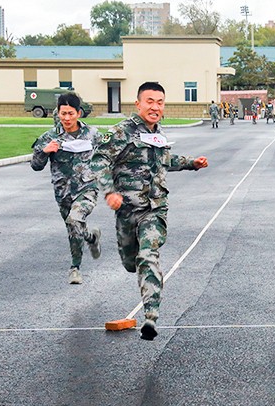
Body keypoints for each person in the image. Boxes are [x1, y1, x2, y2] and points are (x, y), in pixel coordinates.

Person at [92, 82, 209, 341]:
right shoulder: (122, 132)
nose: (155, 107)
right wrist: (110, 191)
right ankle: (131, 265)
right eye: (150, 101)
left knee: (149, 255)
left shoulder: (158, 134)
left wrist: (192, 163)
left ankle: (150, 318)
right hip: (126, 211)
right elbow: (99, 159)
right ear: (138, 103)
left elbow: (164, 161)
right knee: (130, 262)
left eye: (160, 102)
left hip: (154, 210)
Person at [31, 93, 102, 284]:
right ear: (58, 113)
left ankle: (74, 268)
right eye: (63, 114)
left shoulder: (93, 135)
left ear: (79, 113)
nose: (67, 118)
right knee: (73, 228)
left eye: (71, 113)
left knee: (74, 219)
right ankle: (91, 237)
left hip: (87, 188)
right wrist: (44, 152)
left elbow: (108, 155)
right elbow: (36, 166)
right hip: (63, 193)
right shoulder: (49, 137)